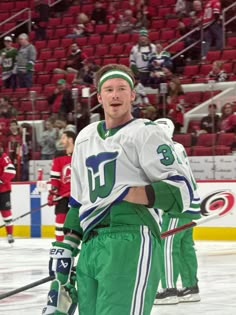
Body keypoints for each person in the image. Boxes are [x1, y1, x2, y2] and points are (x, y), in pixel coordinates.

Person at [42, 64, 196, 315]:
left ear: (133, 95)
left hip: (132, 238)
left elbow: (181, 191)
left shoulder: (147, 133)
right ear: (99, 97)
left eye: (122, 89)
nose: (115, 95)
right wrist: (68, 245)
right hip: (91, 243)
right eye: (109, 89)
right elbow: (78, 199)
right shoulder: (85, 137)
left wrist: (127, 192)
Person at [154, 118, 201, 305]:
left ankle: (169, 289)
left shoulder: (159, 149)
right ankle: (191, 287)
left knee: (167, 247)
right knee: (185, 247)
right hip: (193, 202)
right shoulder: (178, 146)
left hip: (177, 204)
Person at [47, 130, 76, 242]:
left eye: (63, 138)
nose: (61, 140)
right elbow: (55, 178)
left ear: (70, 139)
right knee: (60, 221)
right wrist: (52, 194)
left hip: (78, 197)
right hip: (62, 197)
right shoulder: (59, 156)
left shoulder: (81, 154)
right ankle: (59, 246)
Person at [0, 147, 16, 244]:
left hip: (3, 190)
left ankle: (9, 233)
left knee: (6, 212)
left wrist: (1, 180)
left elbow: (11, 171)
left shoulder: (3, 157)